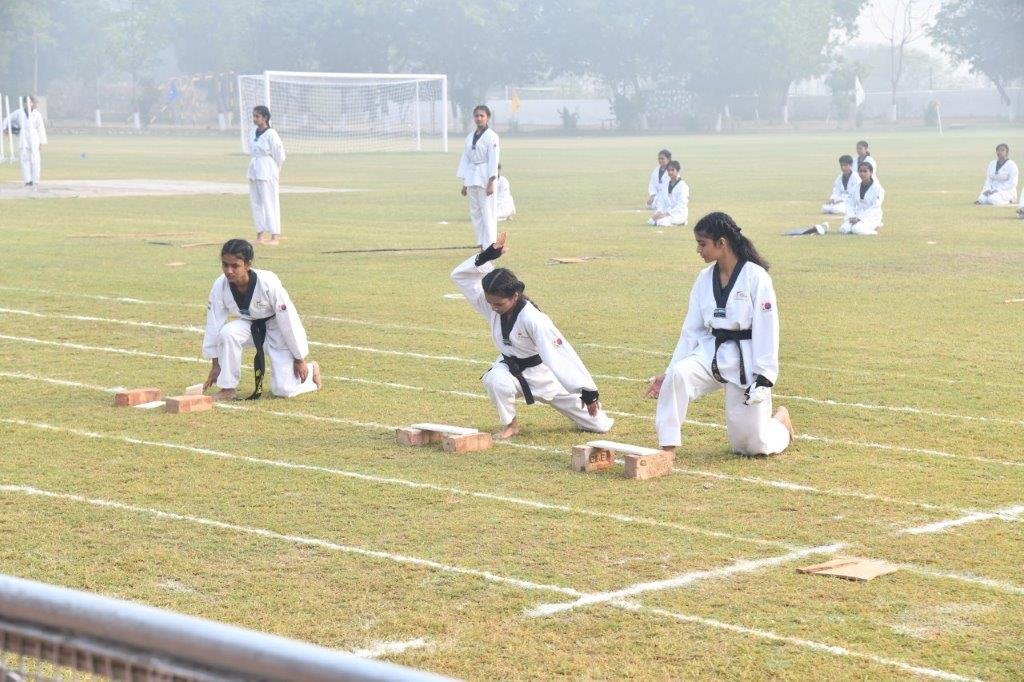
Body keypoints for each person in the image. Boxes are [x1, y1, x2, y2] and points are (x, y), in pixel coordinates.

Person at [645, 212, 793, 457]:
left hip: (745, 359)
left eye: (702, 244)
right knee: (678, 376)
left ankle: (780, 423)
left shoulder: (756, 277)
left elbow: (767, 329)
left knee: (750, 447)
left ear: (721, 243)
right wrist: (670, 371)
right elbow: (691, 330)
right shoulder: (704, 279)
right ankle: (667, 449)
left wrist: (764, 376)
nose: (698, 250)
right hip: (711, 351)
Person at [450, 232, 613, 439]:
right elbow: (460, 276)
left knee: (599, 425)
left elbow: (560, 354)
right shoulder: (491, 304)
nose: (493, 308)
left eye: (499, 304)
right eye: (490, 302)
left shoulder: (533, 319)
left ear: (514, 296)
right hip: (509, 369)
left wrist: (587, 391)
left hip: (542, 374)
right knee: (495, 379)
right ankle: (510, 425)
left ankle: (588, 413)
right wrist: (486, 256)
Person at [202, 239, 321, 401]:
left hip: (276, 328)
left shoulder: (268, 283)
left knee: (283, 390)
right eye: (225, 265)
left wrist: (299, 358)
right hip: (249, 325)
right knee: (227, 333)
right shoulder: (220, 285)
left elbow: (288, 320)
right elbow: (213, 323)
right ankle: (228, 388)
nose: (229, 271)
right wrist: (216, 365)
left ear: (247, 264)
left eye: (235, 266)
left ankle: (312, 370)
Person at [456, 105, 500, 249]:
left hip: (485, 176)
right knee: (475, 212)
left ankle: (490, 245)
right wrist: (465, 183)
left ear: (487, 118)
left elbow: (494, 159)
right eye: (476, 116)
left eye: (482, 116)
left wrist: (491, 181)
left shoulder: (492, 136)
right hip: (472, 177)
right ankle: (481, 243)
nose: (479, 118)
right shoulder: (470, 137)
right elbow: (466, 159)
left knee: (487, 211)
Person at [247, 106, 286, 245]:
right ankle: (260, 235)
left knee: (270, 201)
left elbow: (279, 155)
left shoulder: (271, 134)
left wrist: (275, 169)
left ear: (265, 118)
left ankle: (274, 236)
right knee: (256, 202)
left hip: (268, 170)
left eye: (257, 116)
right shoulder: (252, 132)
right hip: (255, 169)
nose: (254, 119)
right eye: (254, 116)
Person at [1, 95, 47, 186]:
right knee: (24, 158)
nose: (28, 104)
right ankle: (27, 180)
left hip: (34, 136)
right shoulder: (19, 112)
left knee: (35, 159)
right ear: (24, 103)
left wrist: (41, 142)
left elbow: (41, 128)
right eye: (26, 102)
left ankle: (35, 180)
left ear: (33, 103)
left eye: (30, 102)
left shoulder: (37, 114)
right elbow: (7, 119)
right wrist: (4, 129)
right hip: (23, 136)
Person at [839, 161, 884, 235]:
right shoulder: (855, 188)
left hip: (872, 216)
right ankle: (863, 226)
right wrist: (851, 216)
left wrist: (860, 218)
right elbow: (850, 204)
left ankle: (874, 230)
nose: (862, 174)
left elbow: (875, 206)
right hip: (857, 215)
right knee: (843, 229)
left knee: (856, 229)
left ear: (871, 172)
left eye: (865, 171)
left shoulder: (877, 189)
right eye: (860, 171)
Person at [647, 160, 689, 227]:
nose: (670, 172)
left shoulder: (683, 186)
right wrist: (659, 212)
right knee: (651, 221)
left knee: (661, 222)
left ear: (677, 171)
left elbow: (681, 205)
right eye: (668, 170)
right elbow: (661, 202)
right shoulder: (665, 185)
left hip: (679, 214)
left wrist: (667, 214)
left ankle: (682, 222)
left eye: (672, 170)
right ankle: (673, 222)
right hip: (666, 212)